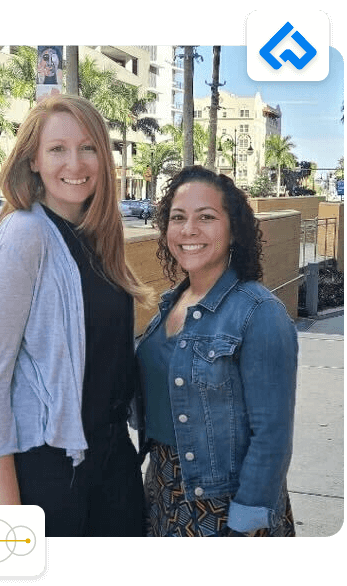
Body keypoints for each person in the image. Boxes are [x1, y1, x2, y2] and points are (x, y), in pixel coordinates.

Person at [0, 94, 152, 537]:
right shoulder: (24, 235)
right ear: (33, 159)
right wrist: (9, 523)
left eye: (88, 147)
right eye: (57, 149)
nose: (76, 162)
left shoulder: (100, 240)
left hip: (109, 469)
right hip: (40, 476)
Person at [136, 166, 297, 537]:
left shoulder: (259, 313)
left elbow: (272, 435)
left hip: (224, 502)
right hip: (162, 488)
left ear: (233, 229)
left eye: (206, 217)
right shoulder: (170, 304)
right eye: (178, 218)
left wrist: (247, 519)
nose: (189, 230)